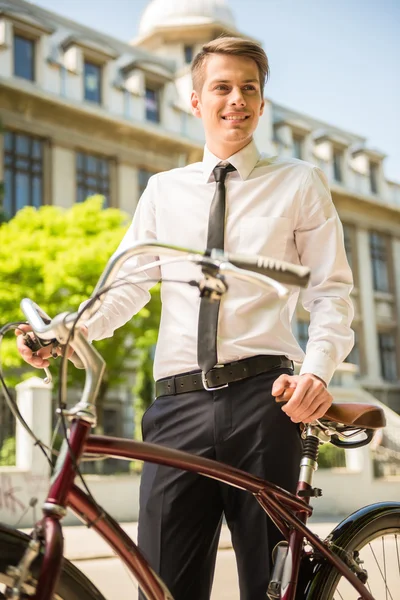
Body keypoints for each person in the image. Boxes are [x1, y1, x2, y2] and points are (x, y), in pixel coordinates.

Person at [17, 37, 354, 600]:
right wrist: (63, 332)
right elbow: (124, 290)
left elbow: (332, 292)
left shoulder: (299, 182)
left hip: (265, 400)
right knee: (164, 584)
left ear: (262, 104)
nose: (237, 99)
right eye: (222, 86)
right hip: (175, 409)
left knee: (272, 589)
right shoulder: (162, 191)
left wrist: (316, 371)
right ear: (196, 101)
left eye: (250, 88)